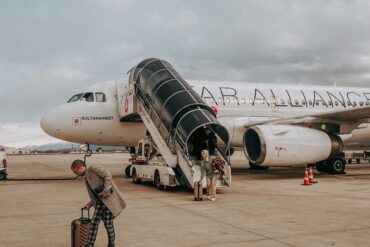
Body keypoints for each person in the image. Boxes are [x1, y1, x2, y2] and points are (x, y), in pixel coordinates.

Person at [71, 160, 126, 247]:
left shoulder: (93, 168)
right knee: (94, 223)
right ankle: (90, 244)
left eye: (76, 171)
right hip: (101, 202)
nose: (76, 174)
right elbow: (95, 194)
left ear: (80, 168)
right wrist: (90, 204)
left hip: (108, 200)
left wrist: (106, 190)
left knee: (107, 223)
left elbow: (108, 175)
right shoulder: (87, 176)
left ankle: (111, 243)